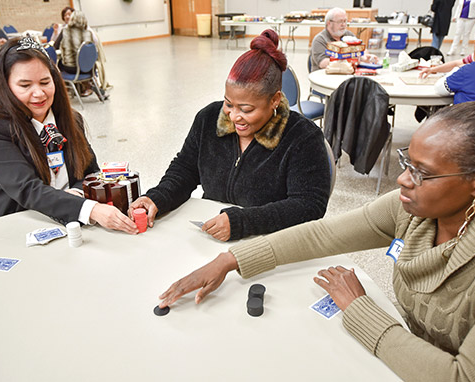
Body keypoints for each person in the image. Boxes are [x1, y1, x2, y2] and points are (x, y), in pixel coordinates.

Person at [158, 101, 475, 381]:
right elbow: (324, 234)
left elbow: (465, 376)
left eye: (422, 172)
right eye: (407, 163)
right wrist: (229, 260)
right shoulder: (415, 210)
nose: (402, 179)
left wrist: (357, 307)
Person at [130, 30, 331, 242]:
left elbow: (309, 205)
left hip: (269, 244)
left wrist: (243, 222)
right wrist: (157, 198)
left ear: (274, 100)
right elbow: (186, 168)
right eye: (229, 103)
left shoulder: (302, 137)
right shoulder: (208, 119)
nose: (234, 117)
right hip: (212, 235)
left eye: (246, 109)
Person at [0, 37, 136, 235]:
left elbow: (89, 172)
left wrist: (76, 194)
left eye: (45, 82)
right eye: (25, 85)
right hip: (2, 228)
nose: (39, 93)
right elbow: (27, 188)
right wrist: (91, 209)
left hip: (57, 225)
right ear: (7, 87)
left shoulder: (71, 119)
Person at [310, 7, 378, 71]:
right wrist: (351, 59)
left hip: (346, 75)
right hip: (325, 78)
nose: (343, 25)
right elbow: (323, 63)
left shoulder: (348, 34)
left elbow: (362, 48)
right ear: (329, 23)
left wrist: (366, 57)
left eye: (345, 21)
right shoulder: (319, 39)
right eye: (340, 22)